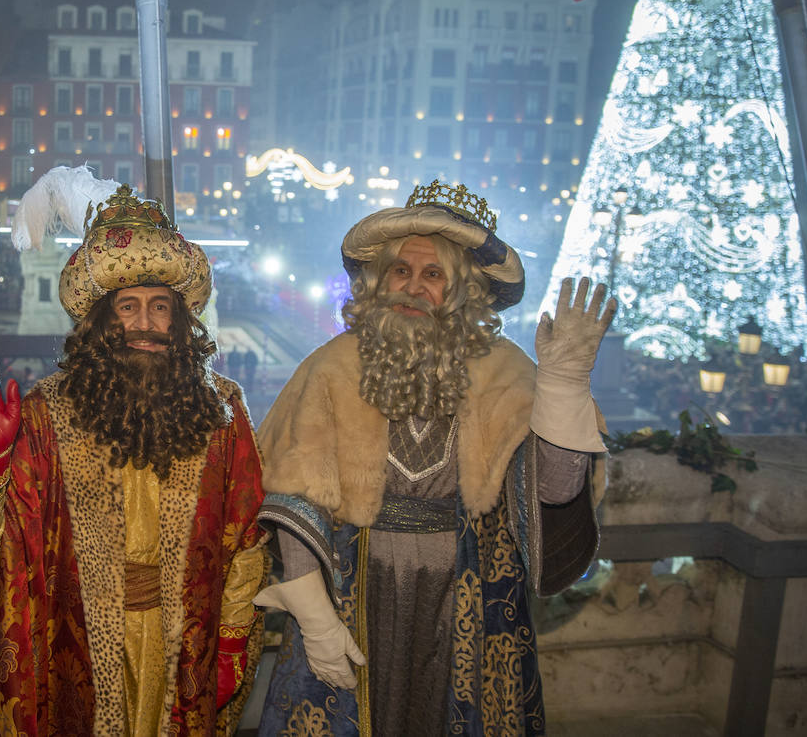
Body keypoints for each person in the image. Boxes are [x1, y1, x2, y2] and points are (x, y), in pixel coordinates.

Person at [255, 180, 612, 735]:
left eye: (433, 275)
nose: (412, 287)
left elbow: (556, 493)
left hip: (468, 593)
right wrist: (313, 614)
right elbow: (292, 492)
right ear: (380, 280)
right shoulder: (332, 366)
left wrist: (564, 385)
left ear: (465, 290)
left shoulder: (507, 372)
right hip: (355, 589)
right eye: (401, 271)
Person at [0, 183, 267, 735]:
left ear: (179, 320)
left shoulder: (222, 409)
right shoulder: (47, 413)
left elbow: (245, 535)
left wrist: (232, 640)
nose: (143, 323)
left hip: (188, 645)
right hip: (76, 644)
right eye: (128, 308)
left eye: (160, 308)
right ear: (102, 322)